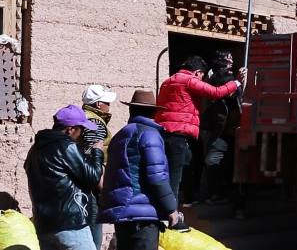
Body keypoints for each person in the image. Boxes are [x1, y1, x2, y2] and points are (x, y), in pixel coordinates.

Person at [99, 90, 188, 250]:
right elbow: (157, 176)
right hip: (142, 216)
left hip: (123, 215)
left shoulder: (120, 135)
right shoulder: (149, 135)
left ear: (131, 110)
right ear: (154, 112)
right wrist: (171, 208)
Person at [156, 55, 246, 202]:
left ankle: (188, 198)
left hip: (165, 131)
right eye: (202, 76)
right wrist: (236, 82)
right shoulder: (189, 80)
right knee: (177, 172)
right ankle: (171, 209)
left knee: (184, 165)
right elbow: (216, 92)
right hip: (180, 132)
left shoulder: (168, 81)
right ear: (197, 72)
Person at [24, 105, 104, 250]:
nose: (82, 135)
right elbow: (92, 177)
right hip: (70, 225)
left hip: (43, 225)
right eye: (81, 130)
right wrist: (97, 152)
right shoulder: (67, 146)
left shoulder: (35, 149)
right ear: (70, 129)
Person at [201, 50, 245, 215]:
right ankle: (217, 194)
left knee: (237, 170)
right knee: (212, 161)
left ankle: (239, 206)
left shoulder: (232, 78)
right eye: (227, 60)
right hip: (220, 131)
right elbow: (225, 90)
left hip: (237, 131)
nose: (231, 62)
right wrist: (238, 82)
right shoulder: (215, 78)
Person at [81, 84, 117, 250]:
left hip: (86, 182)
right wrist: (101, 184)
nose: (109, 106)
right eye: (106, 102)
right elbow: (93, 155)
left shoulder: (85, 117)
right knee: (94, 232)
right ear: (98, 105)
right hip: (92, 186)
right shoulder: (94, 122)